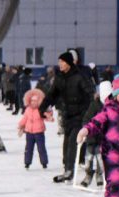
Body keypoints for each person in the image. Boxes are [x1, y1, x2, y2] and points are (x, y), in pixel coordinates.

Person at [38, 51, 94, 182]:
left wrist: (90, 112)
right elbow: (52, 95)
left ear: (69, 63)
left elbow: (90, 93)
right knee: (66, 142)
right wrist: (42, 108)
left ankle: (69, 170)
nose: (60, 64)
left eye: (62, 62)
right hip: (67, 114)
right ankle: (67, 168)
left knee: (73, 142)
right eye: (59, 62)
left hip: (80, 114)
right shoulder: (60, 77)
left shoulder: (79, 76)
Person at [78, 81, 112, 188]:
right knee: (88, 159)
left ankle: (99, 175)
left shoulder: (112, 106)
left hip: (103, 140)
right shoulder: (94, 104)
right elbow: (87, 118)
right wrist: (85, 129)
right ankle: (88, 175)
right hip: (92, 137)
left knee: (101, 159)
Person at [17, 88, 49, 169]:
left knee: (41, 148)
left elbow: (46, 117)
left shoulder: (40, 109)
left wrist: (49, 116)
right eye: (32, 101)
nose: (33, 103)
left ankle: (44, 162)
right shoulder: (28, 109)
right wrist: (20, 125)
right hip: (29, 132)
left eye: (35, 101)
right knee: (28, 148)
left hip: (39, 132)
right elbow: (25, 118)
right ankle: (27, 163)